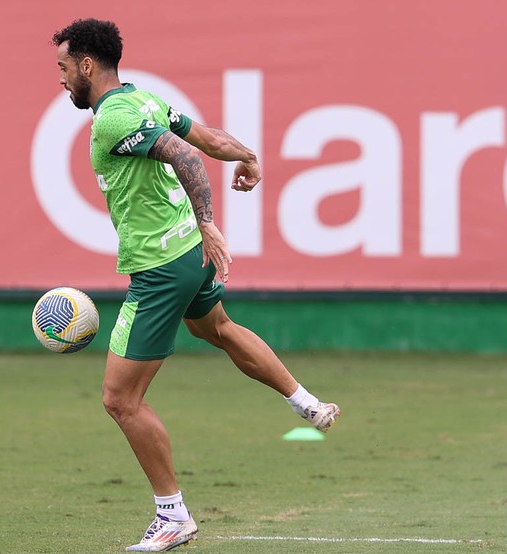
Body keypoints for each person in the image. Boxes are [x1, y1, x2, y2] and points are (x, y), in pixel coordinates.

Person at [51, 18, 341, 551]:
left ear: (87, 65)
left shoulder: (113, 118)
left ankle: (172, 515)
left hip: (162, 268)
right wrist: (250, 156)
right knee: (220, 330)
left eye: (65, 68)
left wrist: (208, 220)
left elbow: (187, 155)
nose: (62, 80)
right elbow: (207, 138)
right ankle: (305, 402)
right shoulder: (144, 100)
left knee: (120, 399)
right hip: (186, 254)